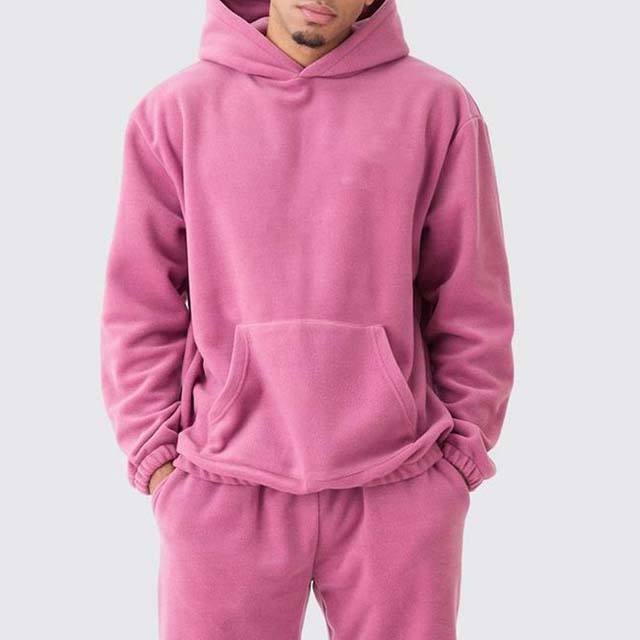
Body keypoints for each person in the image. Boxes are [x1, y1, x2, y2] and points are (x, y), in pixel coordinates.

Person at [100, 0, 514, 638]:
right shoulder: (174, 112)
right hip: (223, 486)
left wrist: (460, 454)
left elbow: (471, 298)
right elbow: (139, 306)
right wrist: (156, 457)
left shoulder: (438, 108)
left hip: (400, 486)